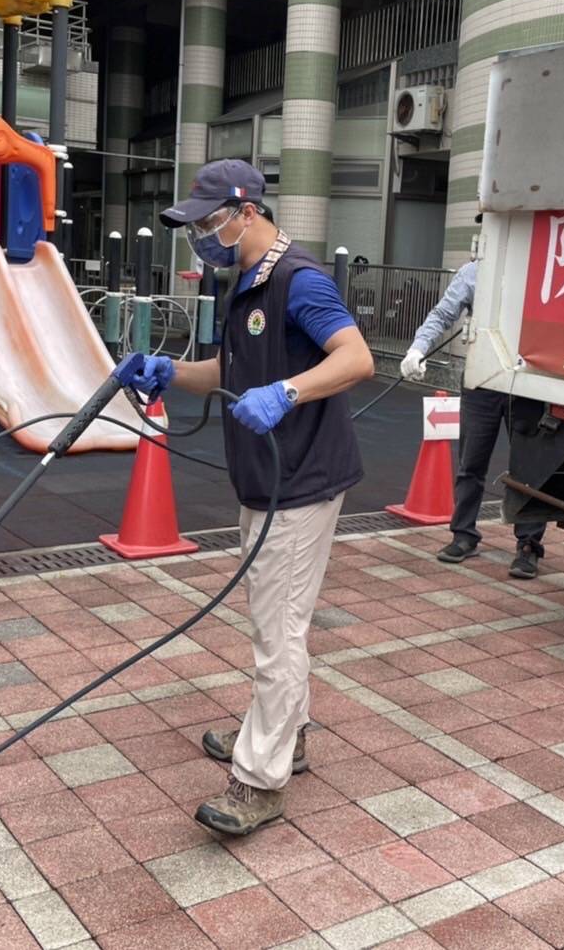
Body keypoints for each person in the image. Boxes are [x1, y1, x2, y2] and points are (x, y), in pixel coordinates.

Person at [131, 159, 374, 836]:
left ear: (246, 212)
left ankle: (259, 780)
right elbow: (227, 373)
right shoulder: (247, 283)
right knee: (281, 623)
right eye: (197, 227)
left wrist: (288, 391)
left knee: (278, 632)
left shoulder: (300, 281)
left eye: (209, 223)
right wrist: (169, 371)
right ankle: (286, 737)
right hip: (267, 482)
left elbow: (355, 358)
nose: (202, 237)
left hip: (298, 482)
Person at [400, 227, 546, 579]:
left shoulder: (540, 270)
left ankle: (529, 545)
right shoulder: (474, 271)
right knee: (471, 463)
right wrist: (418, 347)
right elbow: (443, 314)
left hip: (529, 382)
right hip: (481, 380)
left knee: (530, 469)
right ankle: (463, 534)